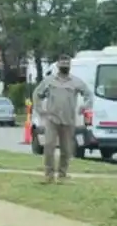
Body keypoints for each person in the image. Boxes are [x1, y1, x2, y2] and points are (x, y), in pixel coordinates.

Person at [32, 54, 93, 184]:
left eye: (67, 64)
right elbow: (37, 94)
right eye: (62, 64)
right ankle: (48, 175)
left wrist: (85, 107)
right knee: (49, 146)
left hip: (68, 120)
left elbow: (89, 95)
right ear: (58, 65)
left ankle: (62, 175)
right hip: (52, 119)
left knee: (66, 149)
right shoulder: (49, 81)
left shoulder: (76, 82)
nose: (65, 66)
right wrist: (40, 110)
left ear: (70, 66)